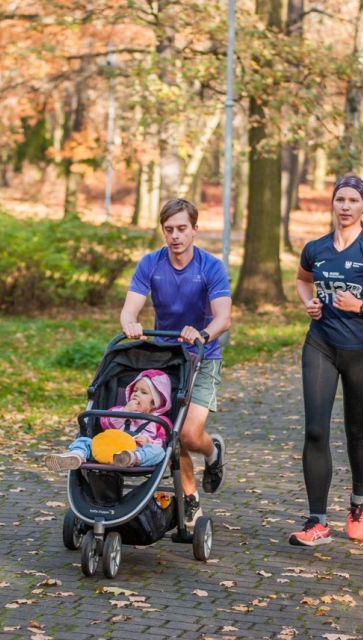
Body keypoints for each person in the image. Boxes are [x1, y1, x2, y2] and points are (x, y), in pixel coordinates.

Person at [289, 175, 363, 546]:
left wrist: (362, 305)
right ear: (333, 203)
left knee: (356, 430)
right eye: (340, 199)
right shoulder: (316, 248)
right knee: (315, 430)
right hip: (321, 344)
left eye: (353, 200)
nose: (345, 206)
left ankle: (358, 502)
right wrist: (307, 302)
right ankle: (316, 521)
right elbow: (302, 279)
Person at [120, 198, 232, 526]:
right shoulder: (151, 264)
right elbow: (130, 308)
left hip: (203, 355)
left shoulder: (210, 267)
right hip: (167, 359)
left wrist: (202, 334)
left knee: (189, 434)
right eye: (168, 230)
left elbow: (223, 317)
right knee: (170, 432)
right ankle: (191, 499)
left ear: (195, 230)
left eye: (182, 228)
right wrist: (130, 322)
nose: (175, 236)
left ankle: (212, 453)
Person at [43, 370, 172, 470]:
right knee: (85, 441)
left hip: (134, 451)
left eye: (144, 392)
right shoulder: (120, 410)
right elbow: (105, 423)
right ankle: (76, 456)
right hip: (107, 449)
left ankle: (132, 458)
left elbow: (164, 442)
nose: (136, 394)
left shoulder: (160, 422)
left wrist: (149, 441)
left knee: (158, 452)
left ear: (155, 403)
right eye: (135, 390)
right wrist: (125, 412)